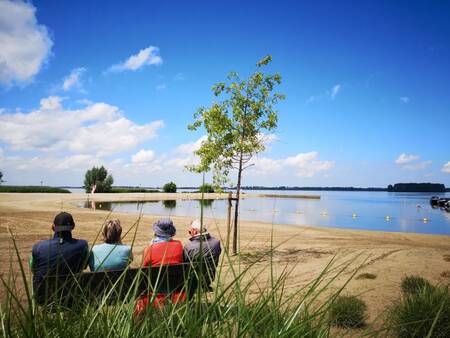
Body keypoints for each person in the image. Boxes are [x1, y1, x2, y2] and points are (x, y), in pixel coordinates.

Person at [135, 219, 184, 314]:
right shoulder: (178, 245)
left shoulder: (149, 249)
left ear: (156, 232)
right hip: (174, 287)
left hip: (155, 289)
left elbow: (143, 270)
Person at [30, 212, 89, 291]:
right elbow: (84, 266)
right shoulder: (82, 245)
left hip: (43, 298)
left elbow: (34, 269)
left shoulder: (38, 247)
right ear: (73, 226)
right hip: (72, 296)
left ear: (53, 227)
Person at [183, 219, 222, 289]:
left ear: (195, 231)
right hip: (209, 278)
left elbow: (185, 263)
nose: (190, 234)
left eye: (190, 232)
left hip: (192, 281)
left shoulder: (189, 247)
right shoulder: (216, 243)